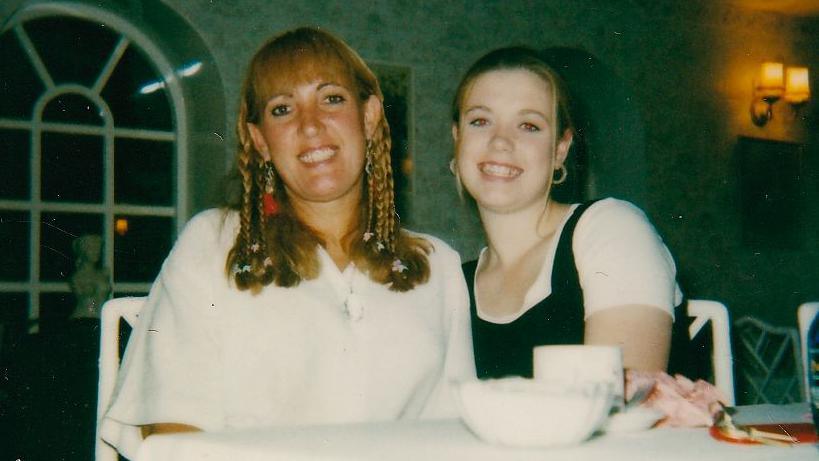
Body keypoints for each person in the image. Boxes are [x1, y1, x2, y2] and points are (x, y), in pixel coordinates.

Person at [101, 27, 473, 459]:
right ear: (260, 141)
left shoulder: (438, 266)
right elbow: (170, 429)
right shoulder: (216, 244)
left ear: (369, 117)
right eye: (282, 109)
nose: (310, 125)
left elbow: (454, 436)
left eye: (331, 99)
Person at [450, 47, 681, 379]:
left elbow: (619, 410)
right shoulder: (452, 282)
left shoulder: (611, 230)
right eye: (480, 121)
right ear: (457, 139)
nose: (500, 141)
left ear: (560, 150)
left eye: (529, 125)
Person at [68, 234, 111, 319]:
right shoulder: (77, 277)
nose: (97, 252)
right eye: (92, 248)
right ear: (83, 250)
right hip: (83, 319)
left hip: (101, 319)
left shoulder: (104, 273)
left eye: (98, 249)